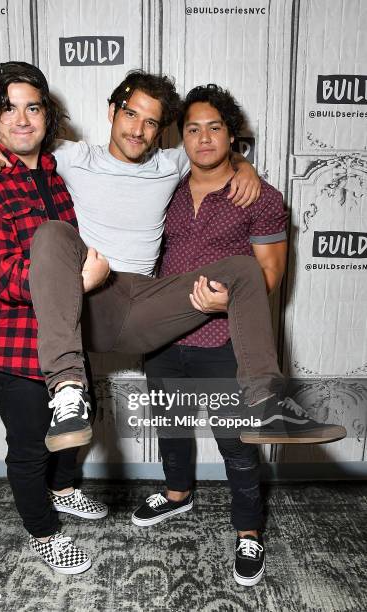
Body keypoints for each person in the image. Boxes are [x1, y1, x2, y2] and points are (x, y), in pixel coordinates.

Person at [0, 69, 346, 455]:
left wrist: (245, 167)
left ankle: (265, 405)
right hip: (93, 304)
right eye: (131, 114)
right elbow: (19, 140)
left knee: (244, 268)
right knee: (50, 232)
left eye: (151, 122)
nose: (138, 130)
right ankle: (67, 392)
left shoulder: (172, 163)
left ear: (160, 130)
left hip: (146, 306)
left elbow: (213, 146)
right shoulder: (71, 155)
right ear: (112, 111)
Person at [0, 62, 111, 575]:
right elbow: (5, 277)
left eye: (32, 107)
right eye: (7, 107)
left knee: (74, 423)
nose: (21, 119)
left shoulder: (55, 175)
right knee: (31, 442)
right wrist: (86, 281)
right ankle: (43, 533)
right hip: (6, 347)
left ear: (47, 115)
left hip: (60, 335)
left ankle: (62, 491)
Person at [131, 84, 287, 586]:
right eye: (192, 129)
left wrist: (230, 300)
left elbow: (269, 274)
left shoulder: (259, 197)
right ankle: (178, 493)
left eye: (213, 127)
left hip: (224, 340)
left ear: (232, 134)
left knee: (237, 444)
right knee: (171, 428)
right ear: (181, 136)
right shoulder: (164, 185)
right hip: (164, 338)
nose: (202, 138)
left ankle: (248, 530)